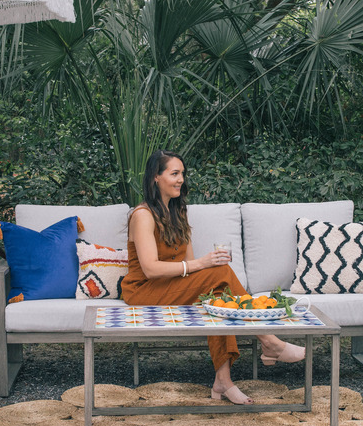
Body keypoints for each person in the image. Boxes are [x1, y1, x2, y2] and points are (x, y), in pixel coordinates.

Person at [121, 150, 305, 405]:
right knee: (219, 274)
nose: (180, 179)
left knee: (218, 298)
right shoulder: (142, 215)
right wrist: (204, 263)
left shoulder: (177, 212)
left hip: (171, 286)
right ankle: (269, 340)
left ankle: (223, 380)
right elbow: (151, 269)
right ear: (156, 177)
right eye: (174, 174)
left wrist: (203, 266)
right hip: (144, 290)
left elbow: (191, 268)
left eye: (182, 174)